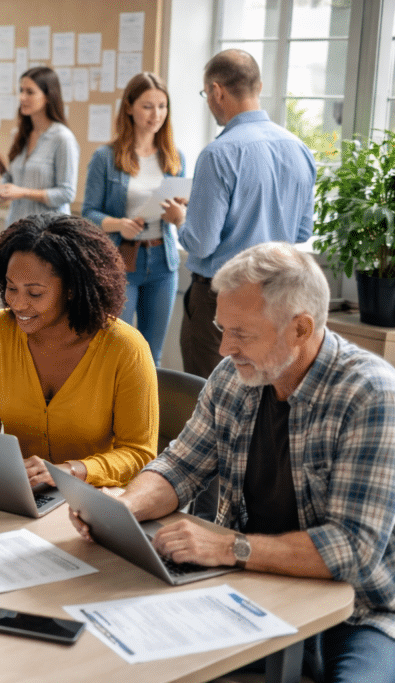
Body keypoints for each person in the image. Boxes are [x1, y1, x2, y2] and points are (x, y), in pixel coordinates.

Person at [71, 242, 395, 683]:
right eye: (222, 328)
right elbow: (179, 467)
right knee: (118, 652)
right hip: (247, 588)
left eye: (242, 333)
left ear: (300, 329)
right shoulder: (234, 378)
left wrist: (228, 548)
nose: (224, 349)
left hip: (362, 609)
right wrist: (125, 508)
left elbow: (353, 550)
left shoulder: (371, 395)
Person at [0, 213, 158, 488]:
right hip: (20, 491)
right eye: (11, 287)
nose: (17, 303)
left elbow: (139, 453)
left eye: (35, 293)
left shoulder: (125, 347)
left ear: (72, 290)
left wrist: (70, 471)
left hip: (95, 502)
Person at [178, 49, 316, 378]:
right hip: (275, 298)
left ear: (216, 90)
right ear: (258, 86)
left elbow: (201, 244)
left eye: (206, 94)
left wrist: (180, 221)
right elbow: (301, 232)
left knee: (207, 395)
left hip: (220, 300)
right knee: (263, 393)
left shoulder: (219, 154)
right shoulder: (299, 149)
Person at [82, 72, 186, 365]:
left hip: (163, 262)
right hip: (120, 261)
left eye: (162, 107)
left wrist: (179, 213)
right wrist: (120, 225)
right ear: (129, 107)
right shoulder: (106, 157)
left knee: (153, 356)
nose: (156, 115)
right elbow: (88, 213)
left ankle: (148, 412)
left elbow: (180, 204)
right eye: (147, 106)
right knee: (117, 351)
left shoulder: (174, 156)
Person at [0, 67, 79, 226]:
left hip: (49, 232)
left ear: (48, 97)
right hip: (17, 228)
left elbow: (66, 193)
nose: (22, 97)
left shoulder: (63, 138)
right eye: (21, 91)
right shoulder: (18, 134)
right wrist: (2, 179)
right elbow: (12, 179)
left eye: (30, 92)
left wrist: (23, 192)